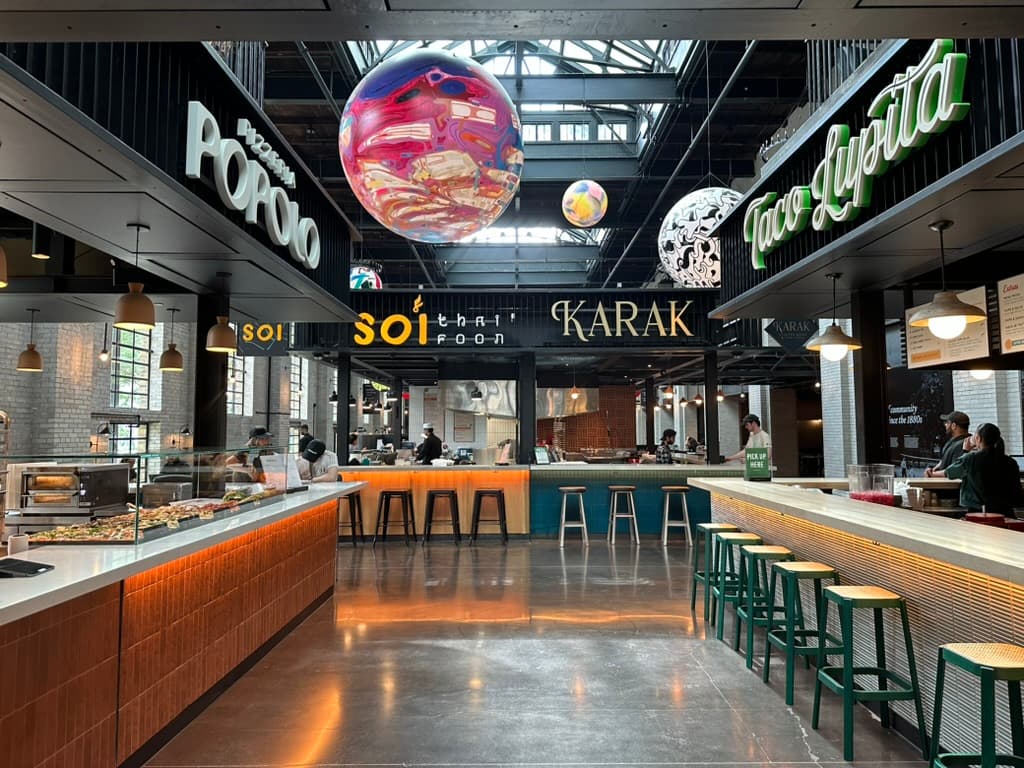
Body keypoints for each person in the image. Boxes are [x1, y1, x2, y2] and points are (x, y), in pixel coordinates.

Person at [933, 423, 1023, 515]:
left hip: (979, 513)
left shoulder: (971, 459)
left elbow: (950, 472)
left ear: (978, 438)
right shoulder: (1011, 462)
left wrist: (965, 451)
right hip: (1006, 513)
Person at [925, 411, 970, 477]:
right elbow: (943, 461)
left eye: (947, 422)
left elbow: (955, 471)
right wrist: (932, 469)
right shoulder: (952, 441)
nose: (945, 425)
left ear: (953, 426)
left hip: (951, 486)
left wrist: (933, 474)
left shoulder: (965, 444)